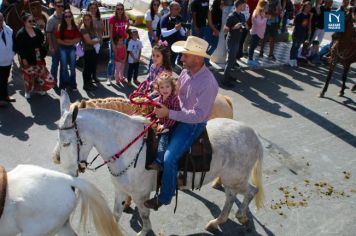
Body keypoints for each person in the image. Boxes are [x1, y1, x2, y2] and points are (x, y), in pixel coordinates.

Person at [144, 36, 218, 210]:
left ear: (197, 58)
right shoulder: (185, 72)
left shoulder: (208, 83)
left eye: (185, 55)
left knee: (169, 159)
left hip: (191, 125)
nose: (181, 58)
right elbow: (175, 94)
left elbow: (198, 116)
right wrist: (155, 98)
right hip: (176, 115)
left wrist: (169, 113)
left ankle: (165, 197)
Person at [15, 12, 56, 99]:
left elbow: (42, 40)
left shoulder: (36, 30)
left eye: (33, 20)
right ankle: (27, 91)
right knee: (28, 76)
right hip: (28, 57)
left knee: (40, 74)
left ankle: (40, 89)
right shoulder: (20, 33)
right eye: (30, 21)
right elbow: (20, 48)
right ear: (24, 22)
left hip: (38, 56)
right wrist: (23, 58)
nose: (32, 22)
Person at [147, 73, 181, 171]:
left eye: (167, 86)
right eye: (162, 87)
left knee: (163, 141)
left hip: (171, 125)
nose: (165, 89)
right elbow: (157, 104)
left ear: (172, 87)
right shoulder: (161, 97)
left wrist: (165, 126)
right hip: (161, 121)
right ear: (158, 88)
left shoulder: (174, 99)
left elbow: (173, 116)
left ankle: (159, 162)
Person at [222, 0, 247, 88]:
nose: (245, 6)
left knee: (232, 60)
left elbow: (243, 26)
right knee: (230, 61)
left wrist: (243, 27)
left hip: (238, 40)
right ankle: (225, 80)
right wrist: (234, 27)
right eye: (244, 5)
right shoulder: (231, 16)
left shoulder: (242, 15)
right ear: (239, 5)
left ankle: (228, 76)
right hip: (231, 40)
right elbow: (225, 30)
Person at [54, 9, 81, 91]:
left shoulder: (74, 26)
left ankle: (73, 84)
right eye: (66, 16)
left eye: (69, 16)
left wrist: (68, 42)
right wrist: (69, 42)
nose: (68, 18)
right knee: (63, 67)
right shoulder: (60, 26)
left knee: (72, 67)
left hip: (72, 48)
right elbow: (58, 40)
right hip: (62, 48)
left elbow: (78, 39)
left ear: (72, 17)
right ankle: (63, 85)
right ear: (63, 18)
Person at [107, 3, 130, 84]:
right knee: (112, 59)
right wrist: (112, 43)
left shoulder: (125, 17)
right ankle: (109, 78)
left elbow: (128, 24)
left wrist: (125, 31)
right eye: (118, 9)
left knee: (122, 58)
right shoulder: (112, 18)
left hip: (123, 40)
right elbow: (110, 31)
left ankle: (120, 76)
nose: (120, 10)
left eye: (121, 9)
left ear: (123, 10)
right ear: (115, 9)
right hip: (114, 41)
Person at [80, 13, 100, 91]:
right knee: (87, 68)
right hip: (87, 50)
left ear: (91, 19)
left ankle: (90, 83)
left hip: (93, 50)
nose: (87, 21)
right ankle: (86, 85)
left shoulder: (92, 27)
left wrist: (97, 40)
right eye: (85, 19)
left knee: (92, 67)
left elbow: (96, 35)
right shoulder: (83, 28)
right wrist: (98, 40)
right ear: (83, 20)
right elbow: (88, 41)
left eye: (88, 19)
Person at [46, 0, 64, 86]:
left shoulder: (65, 17)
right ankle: (53, 83)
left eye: (62, 6)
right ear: (55, 6)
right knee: (54, 66)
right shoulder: (51, 19)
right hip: (55, 47)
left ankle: (62, 83)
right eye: (59, 6)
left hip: (65, 46)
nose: (60, 8)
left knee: (63, 66)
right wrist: (51, 46)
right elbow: (48, 33)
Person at [288, 1, 311, 67]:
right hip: (297, 33)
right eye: (307, 7)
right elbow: (295, 23)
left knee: (297, 47)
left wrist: (307, 33)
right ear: (304, 7)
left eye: (309, 8)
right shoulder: (299, 15)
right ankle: (291, 60)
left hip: (302, 34)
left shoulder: (308, 15)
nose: (308, 9)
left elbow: (307, 26)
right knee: (294, 47)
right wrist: (302, 25)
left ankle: (294, 60)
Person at [86, 1, 104, 83]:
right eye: (91, 8)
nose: (93, 10)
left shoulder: (99, 19)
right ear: (89, 9)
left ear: (97, 9)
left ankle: (94, 76)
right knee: (90, 62)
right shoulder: (86, 19)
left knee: (95, 61)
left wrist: (100, 39)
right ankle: (88, 78)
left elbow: (102, 30)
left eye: (95, 8)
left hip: (98, 43)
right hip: (89, 43)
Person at [0, 13, 15, 107]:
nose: (0, 22)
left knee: (5, 79)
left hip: (8, 61)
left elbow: (13, 41)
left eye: (1, 20)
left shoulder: (8, 29)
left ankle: (5, 96)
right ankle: (0, 99)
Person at [247, 0, 268, 66]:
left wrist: (264, 17)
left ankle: (251, 58)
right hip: (256, 32)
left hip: (259, 32)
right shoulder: (256, 12)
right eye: (267, 5)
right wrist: (265, 18)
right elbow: (258, 23)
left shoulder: (262, 12)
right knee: (252, 46)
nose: (268, 7)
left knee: (254, 46)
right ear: (263, 5)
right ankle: (250, 59)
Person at [145, 0, 161, 68]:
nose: (156, 6)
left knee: (158, 51)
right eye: (155, 4)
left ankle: (156, 68)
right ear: (152, 4)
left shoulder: (159, 12)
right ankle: (151, 69)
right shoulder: (149, 13)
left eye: (158, 5)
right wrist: (154, 36)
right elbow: (149, 27)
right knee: (155, 51)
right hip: (153, 33)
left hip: (159, 33)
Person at [206, 0, 223, 64]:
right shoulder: (211, 10)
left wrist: (217, 30)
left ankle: (206, 57)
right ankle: (206, 60)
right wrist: (214, 30)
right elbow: (210, 22)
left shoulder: (220, 9)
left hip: (217, 29)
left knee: (214, 46)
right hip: (211, 29)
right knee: (208, 45)